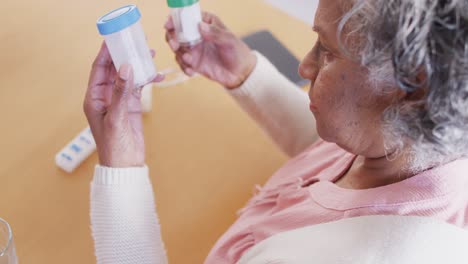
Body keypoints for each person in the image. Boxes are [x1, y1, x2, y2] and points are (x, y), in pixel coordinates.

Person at [84, 0, 468, 263]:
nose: (304, 66)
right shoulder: (420, 142)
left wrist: (122, 168)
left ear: (412, 88)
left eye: (328, 51)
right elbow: (325, 152)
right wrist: (246, 75)